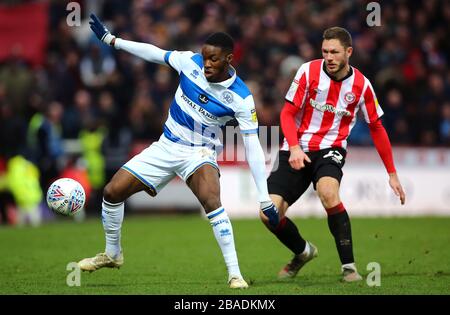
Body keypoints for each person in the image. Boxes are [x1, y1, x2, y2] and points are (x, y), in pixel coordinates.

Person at [78, 14, 280, 289]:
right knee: (112, 192)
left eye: (214, 59)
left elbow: (252, 145)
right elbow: (155, 53)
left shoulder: (241, 98)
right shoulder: (190, 62)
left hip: (199, 153)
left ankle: (235, 274)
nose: (206, 63)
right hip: (166, 146)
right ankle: (113, 254)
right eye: (205, 56)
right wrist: (114, 41)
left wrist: (264, 197)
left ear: (229, 59)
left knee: (211, 200)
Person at [260, 27, 406, 282]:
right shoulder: (308, 71)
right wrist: (294, 147)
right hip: (297, 148)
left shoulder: (362, 86)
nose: (329, 57)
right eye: (325, 51)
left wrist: (392, 173)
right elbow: (286, 113)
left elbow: (376, 128)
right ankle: (303, 252)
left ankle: (349, 267)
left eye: (335, 52)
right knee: (267, 213)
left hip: (331, 149)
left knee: (328, 193)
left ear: (348, 52)